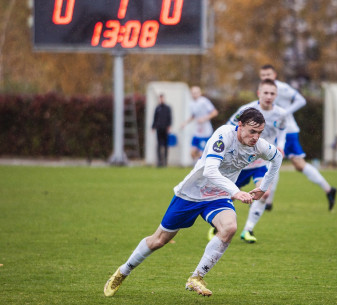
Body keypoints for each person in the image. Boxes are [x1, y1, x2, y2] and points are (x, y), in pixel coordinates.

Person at [104, 108, 283, 297]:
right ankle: (123, 271)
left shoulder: (259, 146)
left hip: (218, 196)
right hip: (191, 194)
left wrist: (263, 188)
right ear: (240, 126)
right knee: (159, 240)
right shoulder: (224, 135)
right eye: (252, 132)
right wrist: (236, 192)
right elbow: (210, 171)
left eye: (259, 133)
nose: (256, 137)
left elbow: (277, 158)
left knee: (229, 228)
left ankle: (196, 277)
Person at [208, 79, 287, 243]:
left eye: (272, 93)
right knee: (228, 196)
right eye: (266, 92)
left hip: (260, 164)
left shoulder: (281, 114)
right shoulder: (246, 110)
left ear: (276, 95)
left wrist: (280, 146)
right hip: (239, 164)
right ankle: (217, 225)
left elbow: (282, 131)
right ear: (259, 93)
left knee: (264, 194)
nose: (269, 96)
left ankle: (248, 229)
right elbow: (229, 128)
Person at [259, 64, 337, 211]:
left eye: (268, 75)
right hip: (277, 130)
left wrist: (285, 112)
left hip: (287, 130)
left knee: (273, 162)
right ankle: (328, 189)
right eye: (263, 75)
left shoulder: (282, 88)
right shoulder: (264, 89)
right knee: (297, 164)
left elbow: (301, 100)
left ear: (274, 75)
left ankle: (268, 202)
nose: (265, 78)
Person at [180, 86, 219, 163]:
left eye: (196, 93)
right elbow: (193, 116)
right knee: (192, 153)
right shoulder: (191, 103)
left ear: (199, 93)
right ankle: (200, 164)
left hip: (206, 132)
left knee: (202, 153)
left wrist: (204, 118)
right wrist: (185, 123)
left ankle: (203, 165)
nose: (194, 95)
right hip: (197, 131)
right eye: (193, 93)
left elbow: (214, 112)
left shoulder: (204, 101)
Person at [151, 94, 172, 167]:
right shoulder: (157, 108)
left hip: (165, 129)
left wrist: (169, 127)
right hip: (159, 129)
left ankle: (165, 162)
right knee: (159, 145)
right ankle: (159, 162)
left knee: (166, 145)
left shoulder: (167, 108)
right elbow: (155, 118)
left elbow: (170, 118)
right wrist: (153, 127)